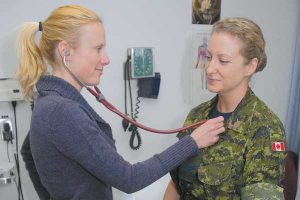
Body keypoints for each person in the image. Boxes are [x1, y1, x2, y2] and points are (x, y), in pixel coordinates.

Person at [16, 5, 225, 200]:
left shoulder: (49, 101)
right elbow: (129, 178)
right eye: (98, 48)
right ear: (65, 52)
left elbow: (27, 152)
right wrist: (192, 143)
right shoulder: (61, 110)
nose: (106, 59)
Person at [163, 17, 287, 199]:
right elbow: (176, 184)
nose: (209, 68)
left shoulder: (264, 128)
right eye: (209, 57)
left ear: (250, 66)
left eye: (223, 60)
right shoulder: (197, 116)